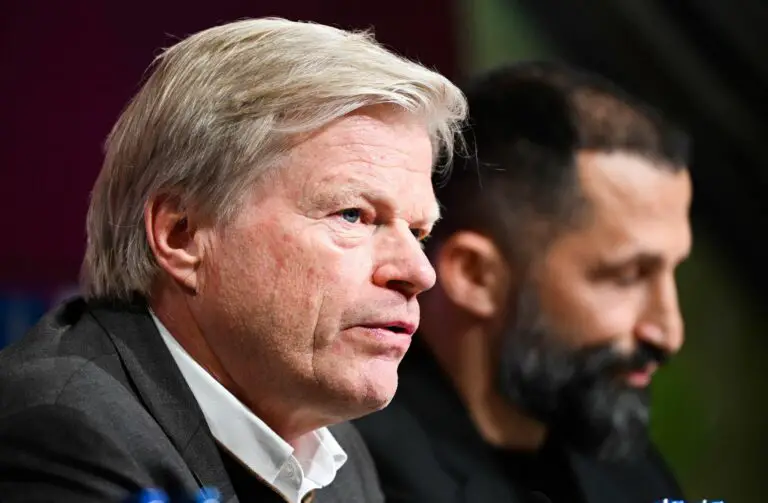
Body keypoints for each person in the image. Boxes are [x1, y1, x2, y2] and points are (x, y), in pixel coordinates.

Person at [0, 18, 467, 503]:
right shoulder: (59, 434)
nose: (419, 272)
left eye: (418, 233)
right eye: (352, 215)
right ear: (182, 235)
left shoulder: (334, 453)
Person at [354, 61, 691, 503]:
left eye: (672, 270)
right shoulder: (350, 477)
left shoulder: (618, 458)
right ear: (475, 275)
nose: (668, 332)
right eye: (627, 277)